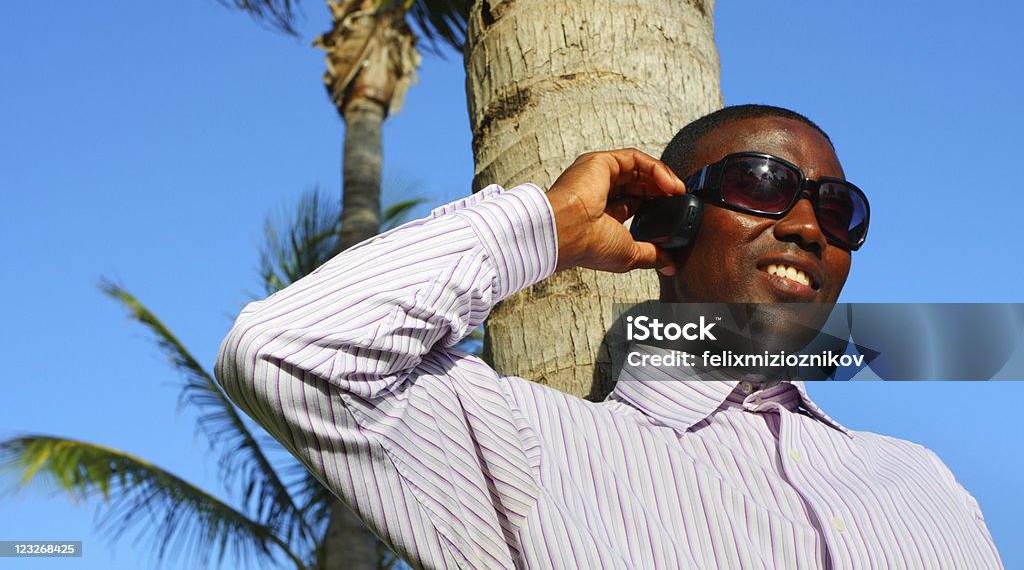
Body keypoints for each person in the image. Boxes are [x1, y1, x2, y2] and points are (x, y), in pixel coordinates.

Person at [215, 105, 1002, 569]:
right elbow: (288, 348)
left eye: (839, 210)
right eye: (763, 184)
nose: (806, 227)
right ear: (673, 219)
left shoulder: (925, 482)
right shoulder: (532, 452)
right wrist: (549, 227)